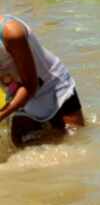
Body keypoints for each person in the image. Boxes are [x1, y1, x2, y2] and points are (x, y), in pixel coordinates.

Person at [0, 14, 84, 148]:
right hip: (17, 90)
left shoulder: (11, 32)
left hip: (53, 87)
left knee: (73, 141)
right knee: (22, 145)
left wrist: (2, 114)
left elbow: (30, 86)